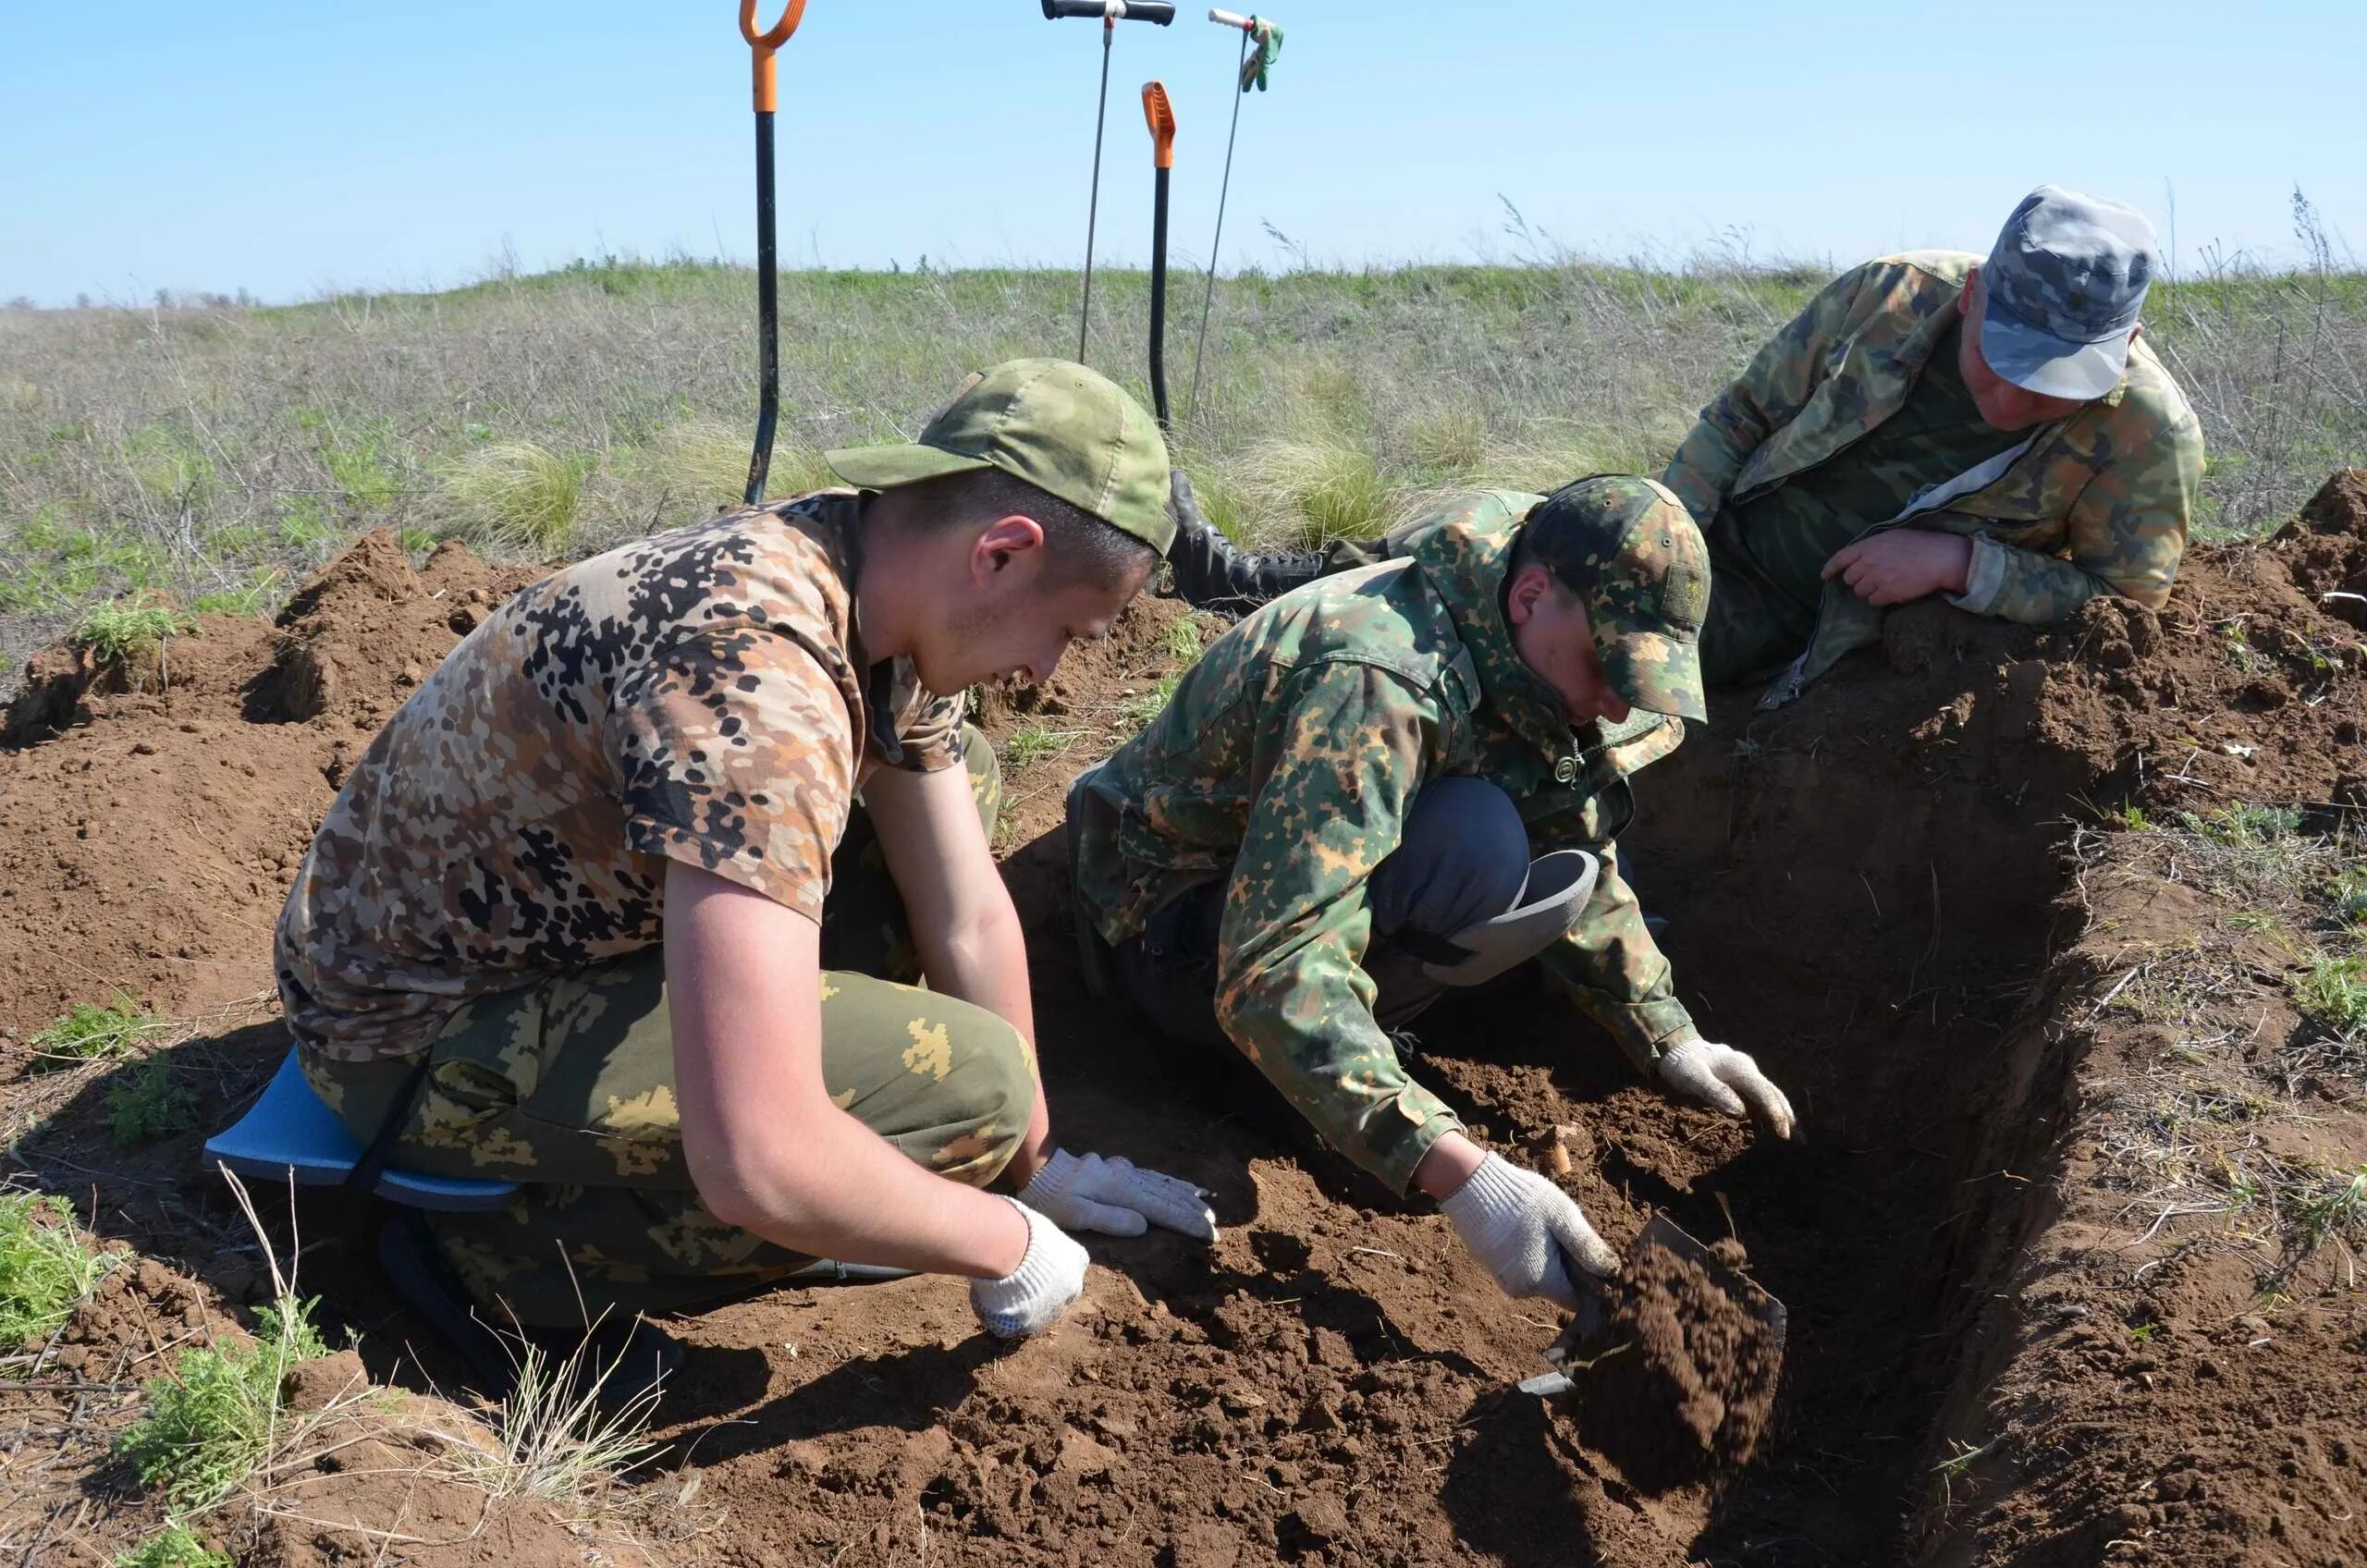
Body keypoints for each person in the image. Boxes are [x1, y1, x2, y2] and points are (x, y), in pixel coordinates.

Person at [276, 360, 1218, 1389]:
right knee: (969, 1086)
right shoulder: (760, 686)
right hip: (411, 1037)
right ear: (1000, 553)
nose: (1046, 673)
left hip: (536, 925)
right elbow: (756, 1157)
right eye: (1062, 632)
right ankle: (509, 1259)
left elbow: (963, 910)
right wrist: (1003, 1238)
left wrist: (1035, 1167)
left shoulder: (869, 574)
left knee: (964, 789)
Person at [1069, 477, 1795, 1313]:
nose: (1620, 699)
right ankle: (1281, 1080)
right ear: (1531, 596)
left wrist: (1667, 1032)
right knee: (1481, 842)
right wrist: (1459, 1170)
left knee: (1539, 866)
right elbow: (1274, 968)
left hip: (1256, 882)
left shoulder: (1516, 620)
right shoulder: (1377, 683)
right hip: (1163, 927)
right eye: (1610, 664)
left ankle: (1348, 1051)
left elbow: (1570, 824)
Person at [1164, 186, 2203, 712]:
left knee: (1556, 662)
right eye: (2002, 354)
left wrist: (1961, 565)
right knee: (1501, 534)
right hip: (1719, 536)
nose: (2012, 395)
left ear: (2125, 346)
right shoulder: (1892, 294)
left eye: (2052, 379)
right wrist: (1665, 537)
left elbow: (2127, 613)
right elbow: (1741, 415)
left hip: (1817, 625)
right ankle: (1253, 585)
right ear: (1975, 291)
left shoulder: (2143, 435)